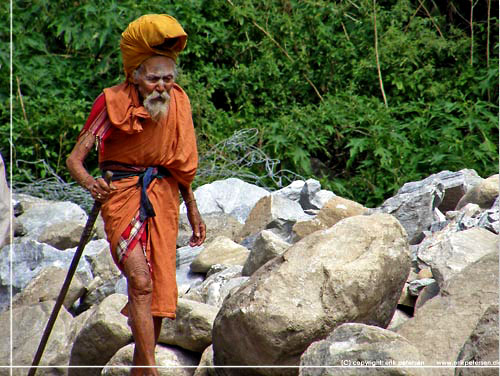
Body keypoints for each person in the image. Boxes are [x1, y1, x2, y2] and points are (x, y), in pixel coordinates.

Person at [66, 14, 206, 376]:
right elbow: (75, 159)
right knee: (140, 281)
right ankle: (149, 367)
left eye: (168, 78)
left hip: (163, 196)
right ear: (134, 76)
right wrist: (89, 183)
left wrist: (193, 209)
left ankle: (141, 368)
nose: (162, 87)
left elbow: (181, 161)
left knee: (157, 288)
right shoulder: (111, 102)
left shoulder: (179, 102)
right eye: (154, 78)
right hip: (122, 195)